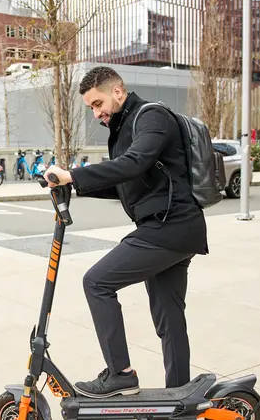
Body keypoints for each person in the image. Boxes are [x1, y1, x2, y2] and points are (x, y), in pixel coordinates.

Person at [44, 66, 208, 399]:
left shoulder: (152, 117)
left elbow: (133, 164)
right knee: (169, 319)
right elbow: (126, 183)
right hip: (171, 228)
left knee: (97, 282)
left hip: (168, 227)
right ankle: (178, 398)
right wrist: (72, 187)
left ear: (118, 91)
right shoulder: (122, 129)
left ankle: (120, 373)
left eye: (98, 103)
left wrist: (74, 175)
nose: (96, 112)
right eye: (91, 107)